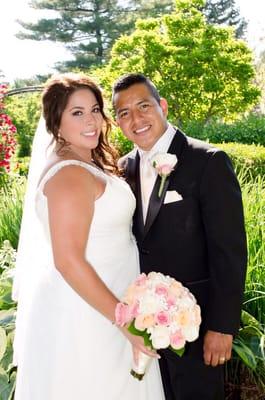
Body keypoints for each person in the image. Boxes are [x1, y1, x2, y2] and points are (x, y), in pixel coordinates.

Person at [12, 73, 165, 400]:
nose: (91, 120)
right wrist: (125, 322)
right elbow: (68, 261)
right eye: (77, 113)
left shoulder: (85, 162)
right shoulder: (69, 174)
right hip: (89, 317)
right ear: (56, 121)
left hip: (110, 303)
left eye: (95, 109)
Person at [112, 73, 247, 400]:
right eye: (124, 113)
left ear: (163, 106)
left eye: (144, 106)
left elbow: (228, 251)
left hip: (197, 330)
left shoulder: (208, 162)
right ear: (117, 122)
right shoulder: (120, 170)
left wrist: (223, 326)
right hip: (142, 329)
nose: (135, 119)